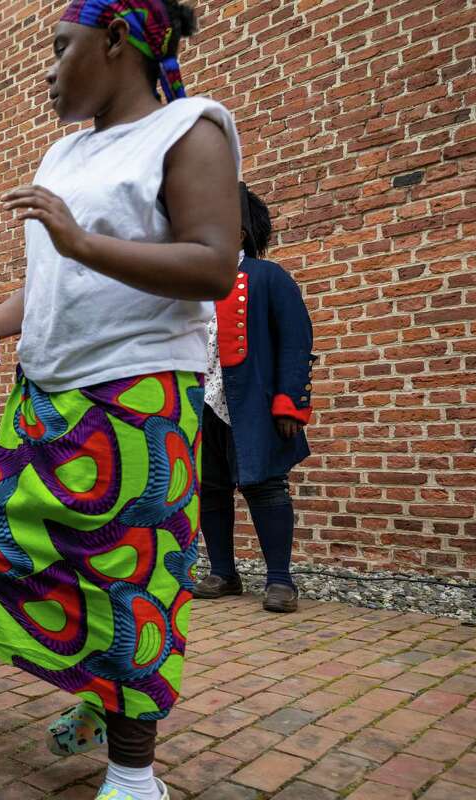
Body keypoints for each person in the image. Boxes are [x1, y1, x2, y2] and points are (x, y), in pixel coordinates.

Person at [0, 2, 241, 798]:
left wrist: (82, 241)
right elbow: (51, 281)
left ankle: (135, 776)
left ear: (117, 40)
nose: (50, 67)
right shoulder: (63, 152)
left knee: (131, 590)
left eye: (61, 47)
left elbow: (210, 263)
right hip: (47, 396)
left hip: (137, 393)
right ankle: (105, 694)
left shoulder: (191, 129)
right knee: (2, 553)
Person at [193, 185, 314, 613]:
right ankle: (224, 572)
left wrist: (290, 404)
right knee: (210, 490)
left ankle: (280, 580)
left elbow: (297, 343)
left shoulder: (268, 277)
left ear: (239, 231)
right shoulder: (193, 286)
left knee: (265, 486)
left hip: (252, 401)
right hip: (200, 402)